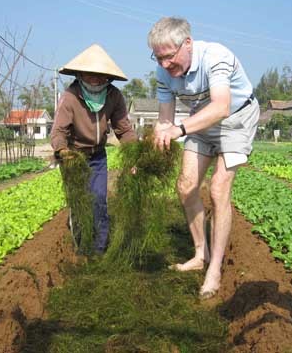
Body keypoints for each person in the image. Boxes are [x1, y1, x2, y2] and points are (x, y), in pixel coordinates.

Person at [147, 17, 260, 299]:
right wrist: (148, 153)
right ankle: (201, 254)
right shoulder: (164, 73)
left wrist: (180, 129)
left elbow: (221, 106)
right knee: (186, 186)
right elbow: (164, 120)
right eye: (157, 57)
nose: (163, 65)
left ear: (188, 44)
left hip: (235, 119)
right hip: (200, 122)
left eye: (168, 57)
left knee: (219, 189)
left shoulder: (216, 57)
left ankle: (215, 269)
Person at [51, 44, 137, 255]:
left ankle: (99, 249)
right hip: (74, 156)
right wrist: (63, 151)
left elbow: (124, 129)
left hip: (97, 155)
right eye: (91, 75)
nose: (96, 80)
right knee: (80, 203)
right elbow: (58, 131)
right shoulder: (70, 97)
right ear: (80, 74)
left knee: (99, 200)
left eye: (102, 76)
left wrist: (134, 155)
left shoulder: (113, 96)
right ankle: (81, 247)